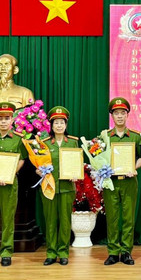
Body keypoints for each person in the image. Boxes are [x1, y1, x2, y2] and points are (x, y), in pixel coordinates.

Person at [0, 102, 27, 267]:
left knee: (8, 219)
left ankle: (7, 252)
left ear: (12, 119)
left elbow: (21, 159)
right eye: (0, 118)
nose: (3, 122)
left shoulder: (18, 140)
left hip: (9, 184)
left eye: (6, 118)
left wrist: (10, 173)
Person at [103, 98, 141, 266]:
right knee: (112, 218)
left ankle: (126, 251)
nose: (120, 116)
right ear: (112, 115)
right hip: (111, 182)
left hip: (129, 181)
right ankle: (113, 252)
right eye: (116, 113)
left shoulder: (135, 136)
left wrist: (135, 168)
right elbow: (98, 158)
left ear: (127, 115)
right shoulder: (105, 136)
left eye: (123, 113)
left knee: (128, 217)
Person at [38, 106, 80, 266]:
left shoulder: (73, 143)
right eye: (56, 122)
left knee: (64, 221)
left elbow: (77, 163)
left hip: (67, 187)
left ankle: (63, 252)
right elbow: (38, 164)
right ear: (51, 125)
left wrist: (77, 173)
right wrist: (40, 171)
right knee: (50, 220)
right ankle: (51, 253)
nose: (59, 125)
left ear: (66, 124)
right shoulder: (45, 143)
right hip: (49, 186)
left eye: (62, 122)